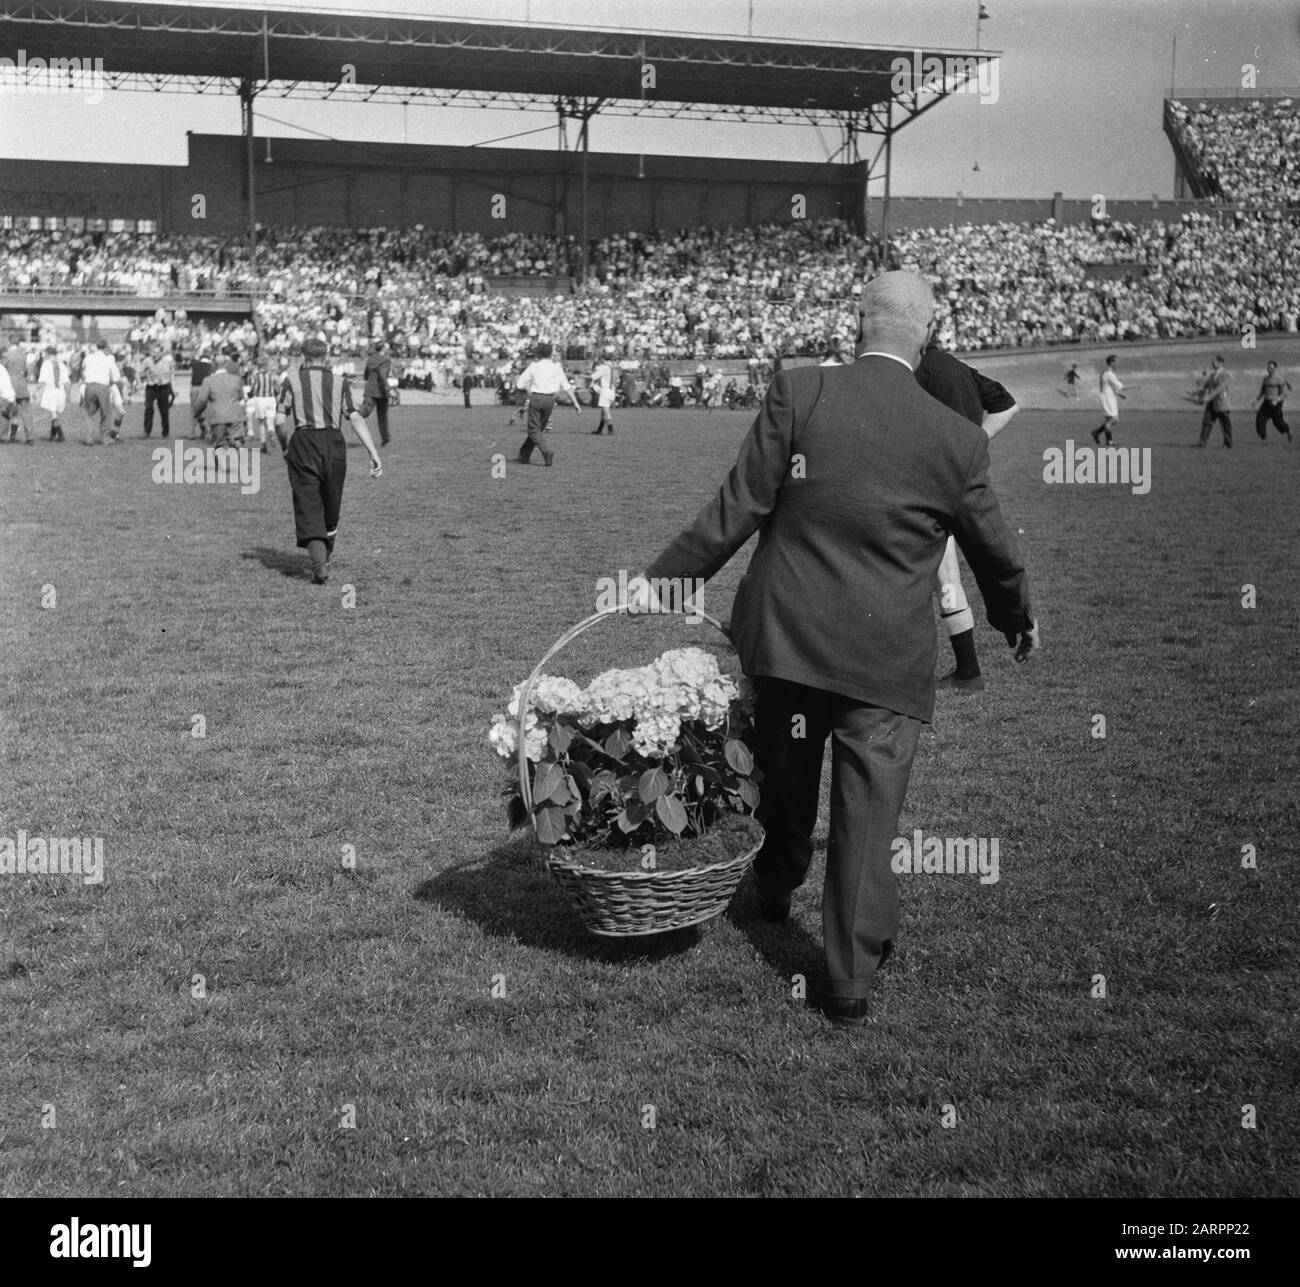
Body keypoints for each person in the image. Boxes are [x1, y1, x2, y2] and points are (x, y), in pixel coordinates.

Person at [633, 271, 1037, 1029]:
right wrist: (1016, 617)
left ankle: (776, 881)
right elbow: (994, 545)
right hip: (885, 656)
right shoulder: (957, 434)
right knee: (869, 810)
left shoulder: (800, 390)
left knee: (786, 775)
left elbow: (738, 506)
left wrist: (662, 583)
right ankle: (848, 977)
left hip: (787, 637)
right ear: (928, 332)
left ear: (858, 324)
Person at [916, 341, 1020, 693]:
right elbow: (1008, 404)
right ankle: (967, 669)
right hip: (962, 480)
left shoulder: (910, 369)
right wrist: (978, 438)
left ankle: (965, 670)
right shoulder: (960, 369)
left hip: (925, 482)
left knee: (927, 577)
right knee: (947, 578)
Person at [275, 336, 382, 585]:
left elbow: (280, 420)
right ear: (326, 358)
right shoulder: (340, 382)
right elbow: (354, 417)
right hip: (334, 443)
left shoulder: (291, 380)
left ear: (304, 357)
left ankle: (320, 564)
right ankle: (324, 558)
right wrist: (373, 452)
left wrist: (284, 447)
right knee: (331, 505)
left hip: (303, 441)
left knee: (308, 502)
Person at [515, 341, 581, 466]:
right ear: (551, 354)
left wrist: (529, 387)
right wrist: (576, 403)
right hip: (550, 400)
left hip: (537, 398)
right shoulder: (557, 367)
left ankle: (547, 452)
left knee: (534, 430)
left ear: (539, 354)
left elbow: (520, 384)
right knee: (537, 430)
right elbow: (567, 386)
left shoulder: (534, 366)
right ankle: (524, 454)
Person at [191, 353, 247, 448]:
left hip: (218, 418)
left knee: (218, 445)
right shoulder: (236, 379)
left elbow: (202, 400)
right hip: (235, 416)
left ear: (213, 365)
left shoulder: (208, 381)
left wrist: (196, 413)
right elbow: (241, 397)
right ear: (226, 364)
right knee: (235, 445)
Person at [80, 340, 123, 446]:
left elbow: (83, 371)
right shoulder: (108, 359)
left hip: (89, 386)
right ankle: (105, 438)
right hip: (103, 387)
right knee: (106, 413)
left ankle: (89, 438)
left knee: (89, 413)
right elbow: (116, 377)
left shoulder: (88, 357)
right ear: (105, 348)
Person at [2, 335, 34, 444]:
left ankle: (3, 437)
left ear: (9, 342)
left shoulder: (6, 355)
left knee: (6, 412)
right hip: (22, 387)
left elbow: (2, 371)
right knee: (26, 413)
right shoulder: (23, 354)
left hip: (9, 387)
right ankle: (30, 438)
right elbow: (26, 371)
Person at [245, 354, 279, 454]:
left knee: (261, 422)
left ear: (258, 366)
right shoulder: (272, 376)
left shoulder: (256, 376)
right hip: (271, 399)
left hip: (260, 399)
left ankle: (264, 444)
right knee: (270, 420)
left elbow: (253, 389)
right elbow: (277, 389)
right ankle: (271, 429)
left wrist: (249, 395)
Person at [1196, 354, 1232, 448]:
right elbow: (1205, 386)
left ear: (1220, 363)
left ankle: (1228, 444)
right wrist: (1193, 393)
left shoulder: (1226, 375)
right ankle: (1202, 443)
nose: (1212, 363)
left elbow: (1219, 389)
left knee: (1225, 425)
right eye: (1212, 361)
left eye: (1214, 361)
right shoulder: (1212, 375)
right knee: (1206, 422)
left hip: (1222, 404)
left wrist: (1208, 397)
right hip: (1212, 404)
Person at [362, 340, 393, 446]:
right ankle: (386, 439)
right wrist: (388, 387)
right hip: (381, 391)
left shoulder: (370, 359)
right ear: (383, 348)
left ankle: (349, 415)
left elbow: (365, 375)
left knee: (363, 413)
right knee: (382, 417)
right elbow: (382, 374)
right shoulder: (385, 360)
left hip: (370, 390)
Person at [36, 346, 70, 442]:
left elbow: (42, 381)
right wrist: (67, 394)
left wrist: (36, 391)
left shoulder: (46, 364)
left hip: (51, 391)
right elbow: (66, 381)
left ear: (48, 354)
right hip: (60, 391)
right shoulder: (61, 364)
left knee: (53, 414)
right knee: (53, 413)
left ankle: (60, 433)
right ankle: (52, 435)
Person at [1252, 360, 1291, 443]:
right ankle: (1264, 438)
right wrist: (1256, 400)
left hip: (1276, 403)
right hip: (1267, 401)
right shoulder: (1265, 379)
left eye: (1271, 367)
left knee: (1277, 422)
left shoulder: (1279, 379)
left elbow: (1284, 393)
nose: (1269, 369)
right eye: (1268, 367)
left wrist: (1277, 400)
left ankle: (1288, 431)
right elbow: (1263, 391)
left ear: (1275, 368)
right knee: (1260, 420)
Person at [141, 343, 174, 439]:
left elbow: (172, 375)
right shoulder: (147, 361)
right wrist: (143, 377)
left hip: (163, 387)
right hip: (151, 386)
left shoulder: (167, 362)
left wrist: (172, 390)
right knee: (148, 409)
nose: (154, 354)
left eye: (157, 352)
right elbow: (140, 373)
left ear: (161, 353)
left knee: (164, 410)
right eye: (153, 352)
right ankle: (146, 431)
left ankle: (165, 432)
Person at [1093, 355, 1124, 444]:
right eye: (1116, 362)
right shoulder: (1108, 373)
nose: (1118, 364)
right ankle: (1109, 441)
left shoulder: (1106, 373)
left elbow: (1107, 386)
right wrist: (1136, 386)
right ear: (1112, 362)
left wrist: (1118, 394)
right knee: (1110, 419)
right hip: (1107, 398)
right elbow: (1121, 387)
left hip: (1109, 397)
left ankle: (1097, 432)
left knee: (1114, 420)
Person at [189, 347, 213, 439]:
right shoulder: (211, 365)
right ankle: (208, 431)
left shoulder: (195, 363)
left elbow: (191, 360)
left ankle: (192, 433)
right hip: (205, 388)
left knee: (194, 411)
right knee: (206, 411)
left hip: (194, 388)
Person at [590, 356, 615, 435]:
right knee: (603, 412)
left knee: (606, 411)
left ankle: (611, 429)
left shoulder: (603, 368)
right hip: (611, 390)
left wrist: (579, 376)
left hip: (605, 391)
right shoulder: (609, 368)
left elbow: (592, 377)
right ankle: (599, 430)